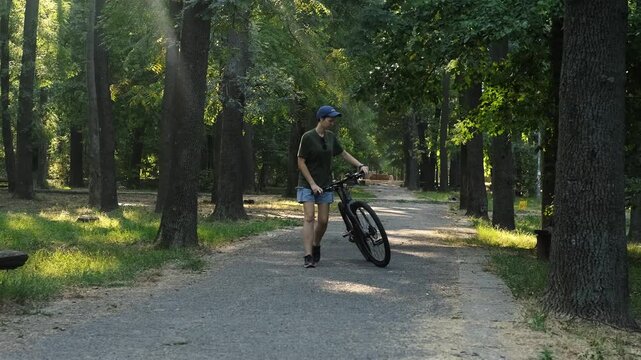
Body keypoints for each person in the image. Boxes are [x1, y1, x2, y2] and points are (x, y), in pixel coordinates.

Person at [296, 105, 369, 268]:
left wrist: (360, 165)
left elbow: (343, 153)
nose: (332, 123)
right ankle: (308, 256)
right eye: (330, 120)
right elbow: (300, 162)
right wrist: (312, 184)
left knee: (323, 221)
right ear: (321, 119)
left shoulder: (330, 137)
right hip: (307, 184)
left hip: (325, 183)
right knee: (309, 217)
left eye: (333, 120)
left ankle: (316, 244)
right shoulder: (307, 137)